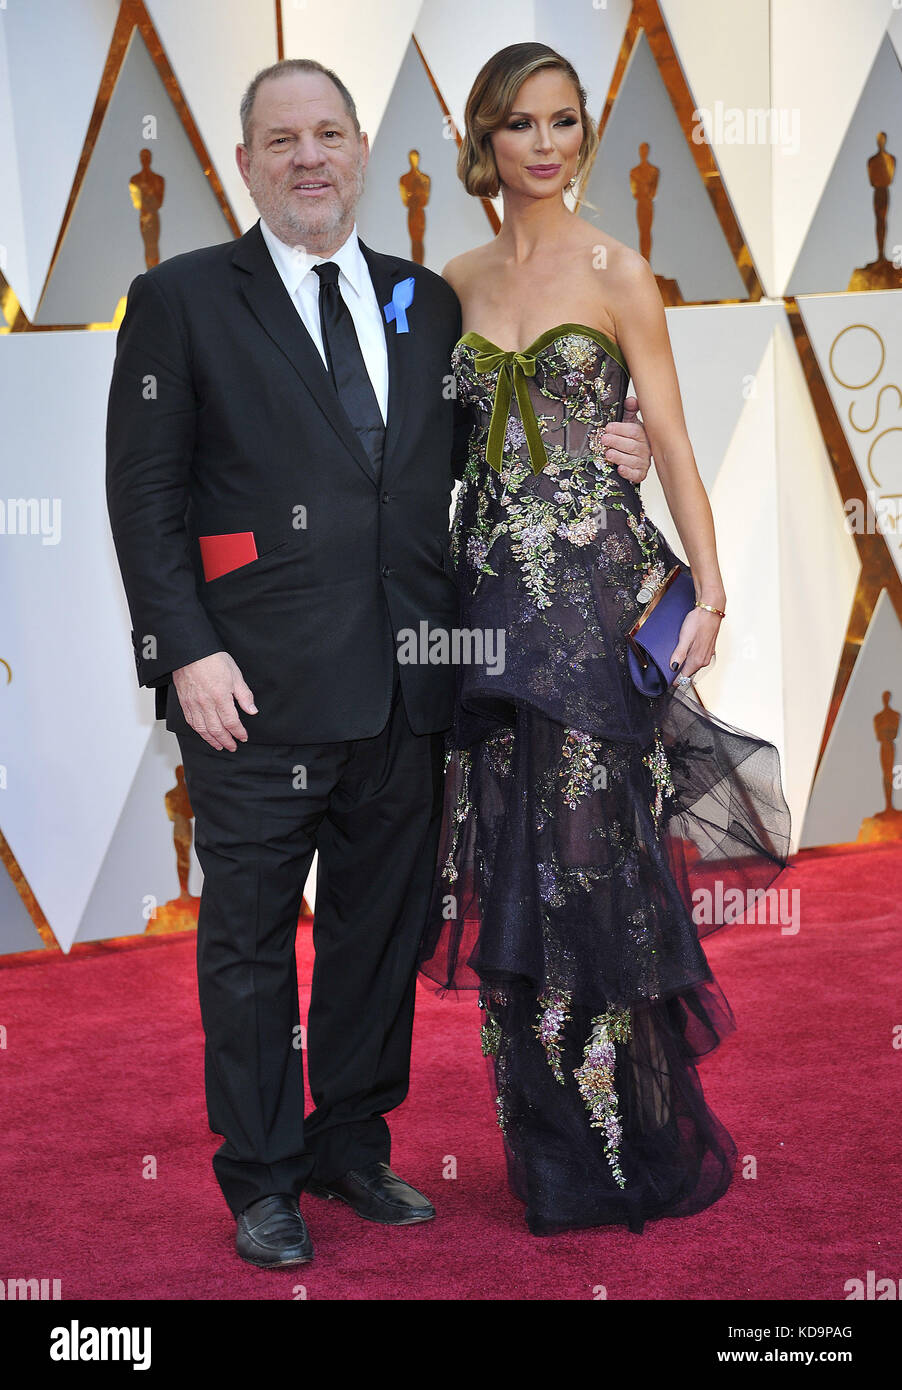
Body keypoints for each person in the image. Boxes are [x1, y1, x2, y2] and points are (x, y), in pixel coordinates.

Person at [105, 56, 657, 1267]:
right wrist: (181, 649)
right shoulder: (184, 298)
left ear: (361, 150)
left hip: (410, 683)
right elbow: (142, 496)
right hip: (246, 690)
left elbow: (494, 444)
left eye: (329, 135)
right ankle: (259, 1177)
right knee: (248, 941)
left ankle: (350, 1140)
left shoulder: (424, 301)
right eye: (281, 139)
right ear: (245, 162)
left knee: (375, 930)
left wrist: (605, 446)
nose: (309, 158)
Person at [419, 43, 792, 1237]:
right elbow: (427, 457)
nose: (544, 143)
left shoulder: (618, 270)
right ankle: (545, 1145)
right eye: (521, 123)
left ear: (584, 133)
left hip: (596, 604)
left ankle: (623, 1136)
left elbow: (670, 443)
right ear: (488, 135)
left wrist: (714, 590)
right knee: (511, 860)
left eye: (564, 121)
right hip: (491, 611)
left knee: (591, 860)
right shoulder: (449, 281)